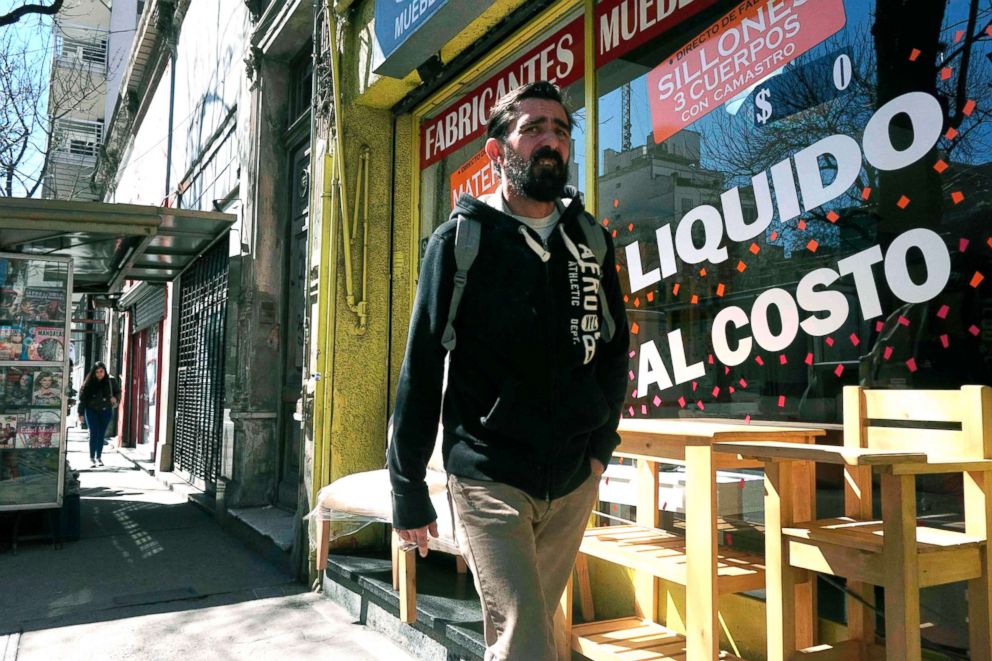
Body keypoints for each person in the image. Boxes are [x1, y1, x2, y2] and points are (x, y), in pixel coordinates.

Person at [388, 81, 630, 660]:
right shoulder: (460, 242)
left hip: (572, 478)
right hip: (489, 475)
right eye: (533, 129)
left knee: (533, 634)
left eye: (561, 130)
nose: (551, 141)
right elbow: (422, 365)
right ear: (497, 151)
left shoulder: (591, 240)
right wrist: (407, 485)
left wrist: (600, 446)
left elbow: (614, 350)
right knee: (525, 641)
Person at [77, 362, 120, 468]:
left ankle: (98, 457)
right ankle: (92, 457)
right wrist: (81, 413)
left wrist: (116, 398)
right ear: (94, 373)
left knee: (101, 434)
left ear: (105, 371)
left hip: (106, 410)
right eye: (97, 372)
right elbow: (83, 399)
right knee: (93, 433)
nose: (99, 374)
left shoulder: (111, 381)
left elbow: (118, 391)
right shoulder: (89, 382)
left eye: (101, 371)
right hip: (91, 410)